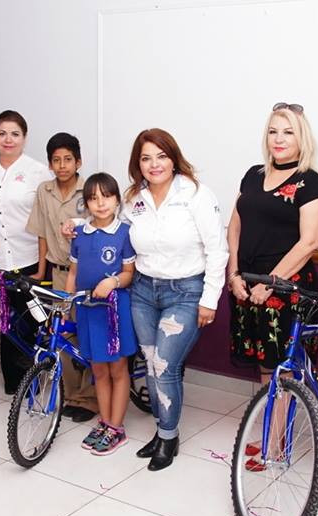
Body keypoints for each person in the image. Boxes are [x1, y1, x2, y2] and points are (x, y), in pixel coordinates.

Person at [226, 103, 318, 472]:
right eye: (273, 131)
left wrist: (272, 283)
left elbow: (310, 242)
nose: (279, 139)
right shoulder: (253, 176)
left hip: (286, 290)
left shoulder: (310, 182)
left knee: (283, 370)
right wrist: (234, 273)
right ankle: (271, 429)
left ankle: (275, 445)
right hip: (248, 285)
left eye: (288, 132)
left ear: (302, 138)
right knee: (266, 367)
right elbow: (234, 227)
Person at [125, 128, 228, 471]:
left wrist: (210, 299)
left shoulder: (195, 194)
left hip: (185, 293)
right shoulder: (134, 198)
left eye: (161, 156)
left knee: (164, 366)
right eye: (146, 158)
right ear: (138, 164)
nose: (154, 164)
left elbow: (217, 250)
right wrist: (78, 224)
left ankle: (168, 437)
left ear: (173, 159)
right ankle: (161, 430)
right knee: (150, 363)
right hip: (143, 291)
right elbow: (113, 226)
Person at [0, 110, 50, 394]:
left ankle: (33, 381)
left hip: (30, 259)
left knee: (30, 323)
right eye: (2, 133)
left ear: (24, 138)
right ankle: (13, 384)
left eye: (15, 134)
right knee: (5, 323)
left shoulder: (38, 171)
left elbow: (45, 221)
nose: (8, 139)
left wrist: (42, 266)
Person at [26, 132, 97, 422]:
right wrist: (41, 270)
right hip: (58, 274)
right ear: (50, 164)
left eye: (68, 159)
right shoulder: (44, 191)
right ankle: (71, 394)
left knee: (89, 334)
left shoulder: (90, 190)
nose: (62, 165)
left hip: (88, 276)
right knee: (63, 333)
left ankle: (89, 398)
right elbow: (42, 231)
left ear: (78, 162)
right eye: (56, 160)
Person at [65, 173, 137, 455]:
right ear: (86, 204)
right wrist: (67, 304)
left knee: (117, 369)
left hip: (114, 311)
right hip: (86, 310)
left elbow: (129, 272)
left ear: (117, 200)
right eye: (93, 199)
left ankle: (117, 428)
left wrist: (113, 282)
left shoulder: (124, 233)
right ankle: (105, 422)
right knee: (97, 368)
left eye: (106, 197)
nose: (101, 203)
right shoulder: (79, 234)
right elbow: (73, 272)